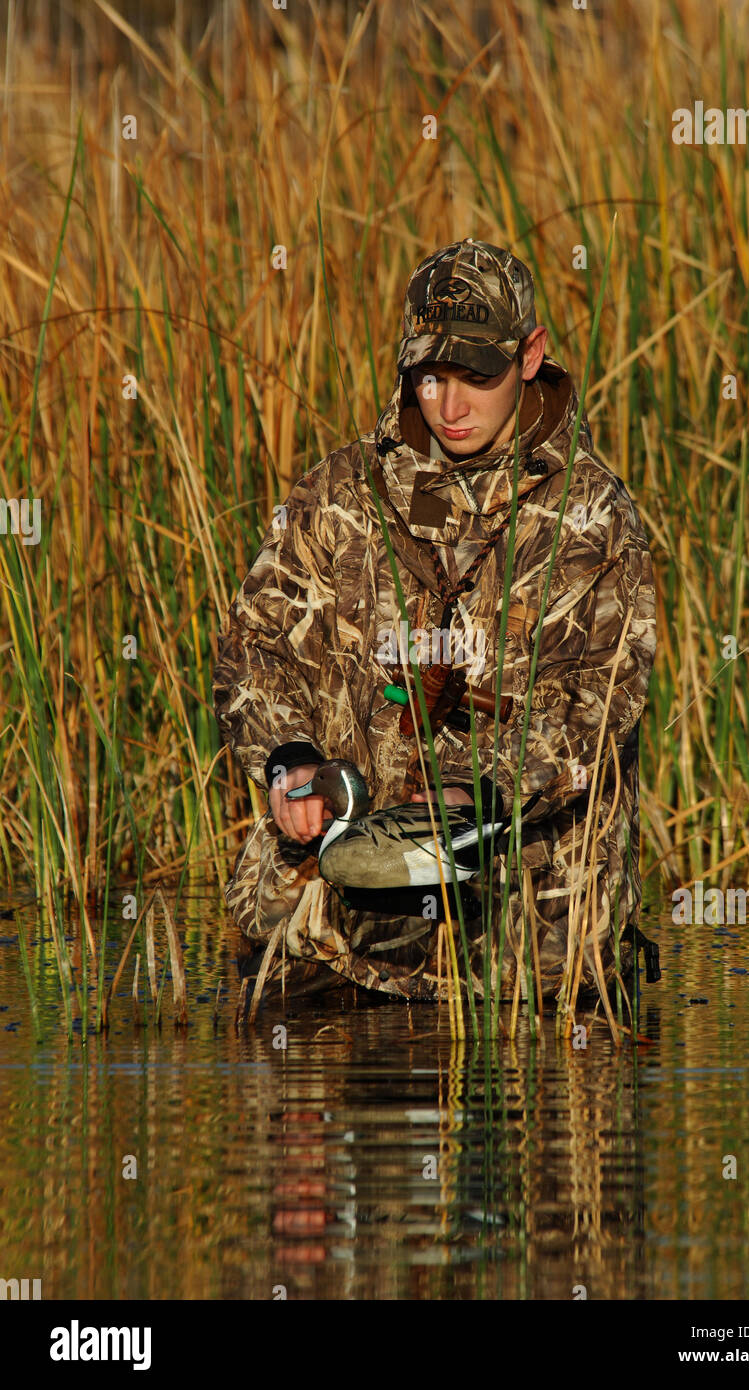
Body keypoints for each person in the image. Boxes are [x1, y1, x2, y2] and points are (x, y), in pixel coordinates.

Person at [212, 238, 657, 1006]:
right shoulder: (335, 495)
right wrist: (289, 763)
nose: (448, 406)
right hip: (335, 937)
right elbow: (254, 648)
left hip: (524, 956)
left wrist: (475, 795)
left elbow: (599, 702)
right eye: (429, 376)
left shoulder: (595, 518)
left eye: (475, 377)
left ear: (529, 355)